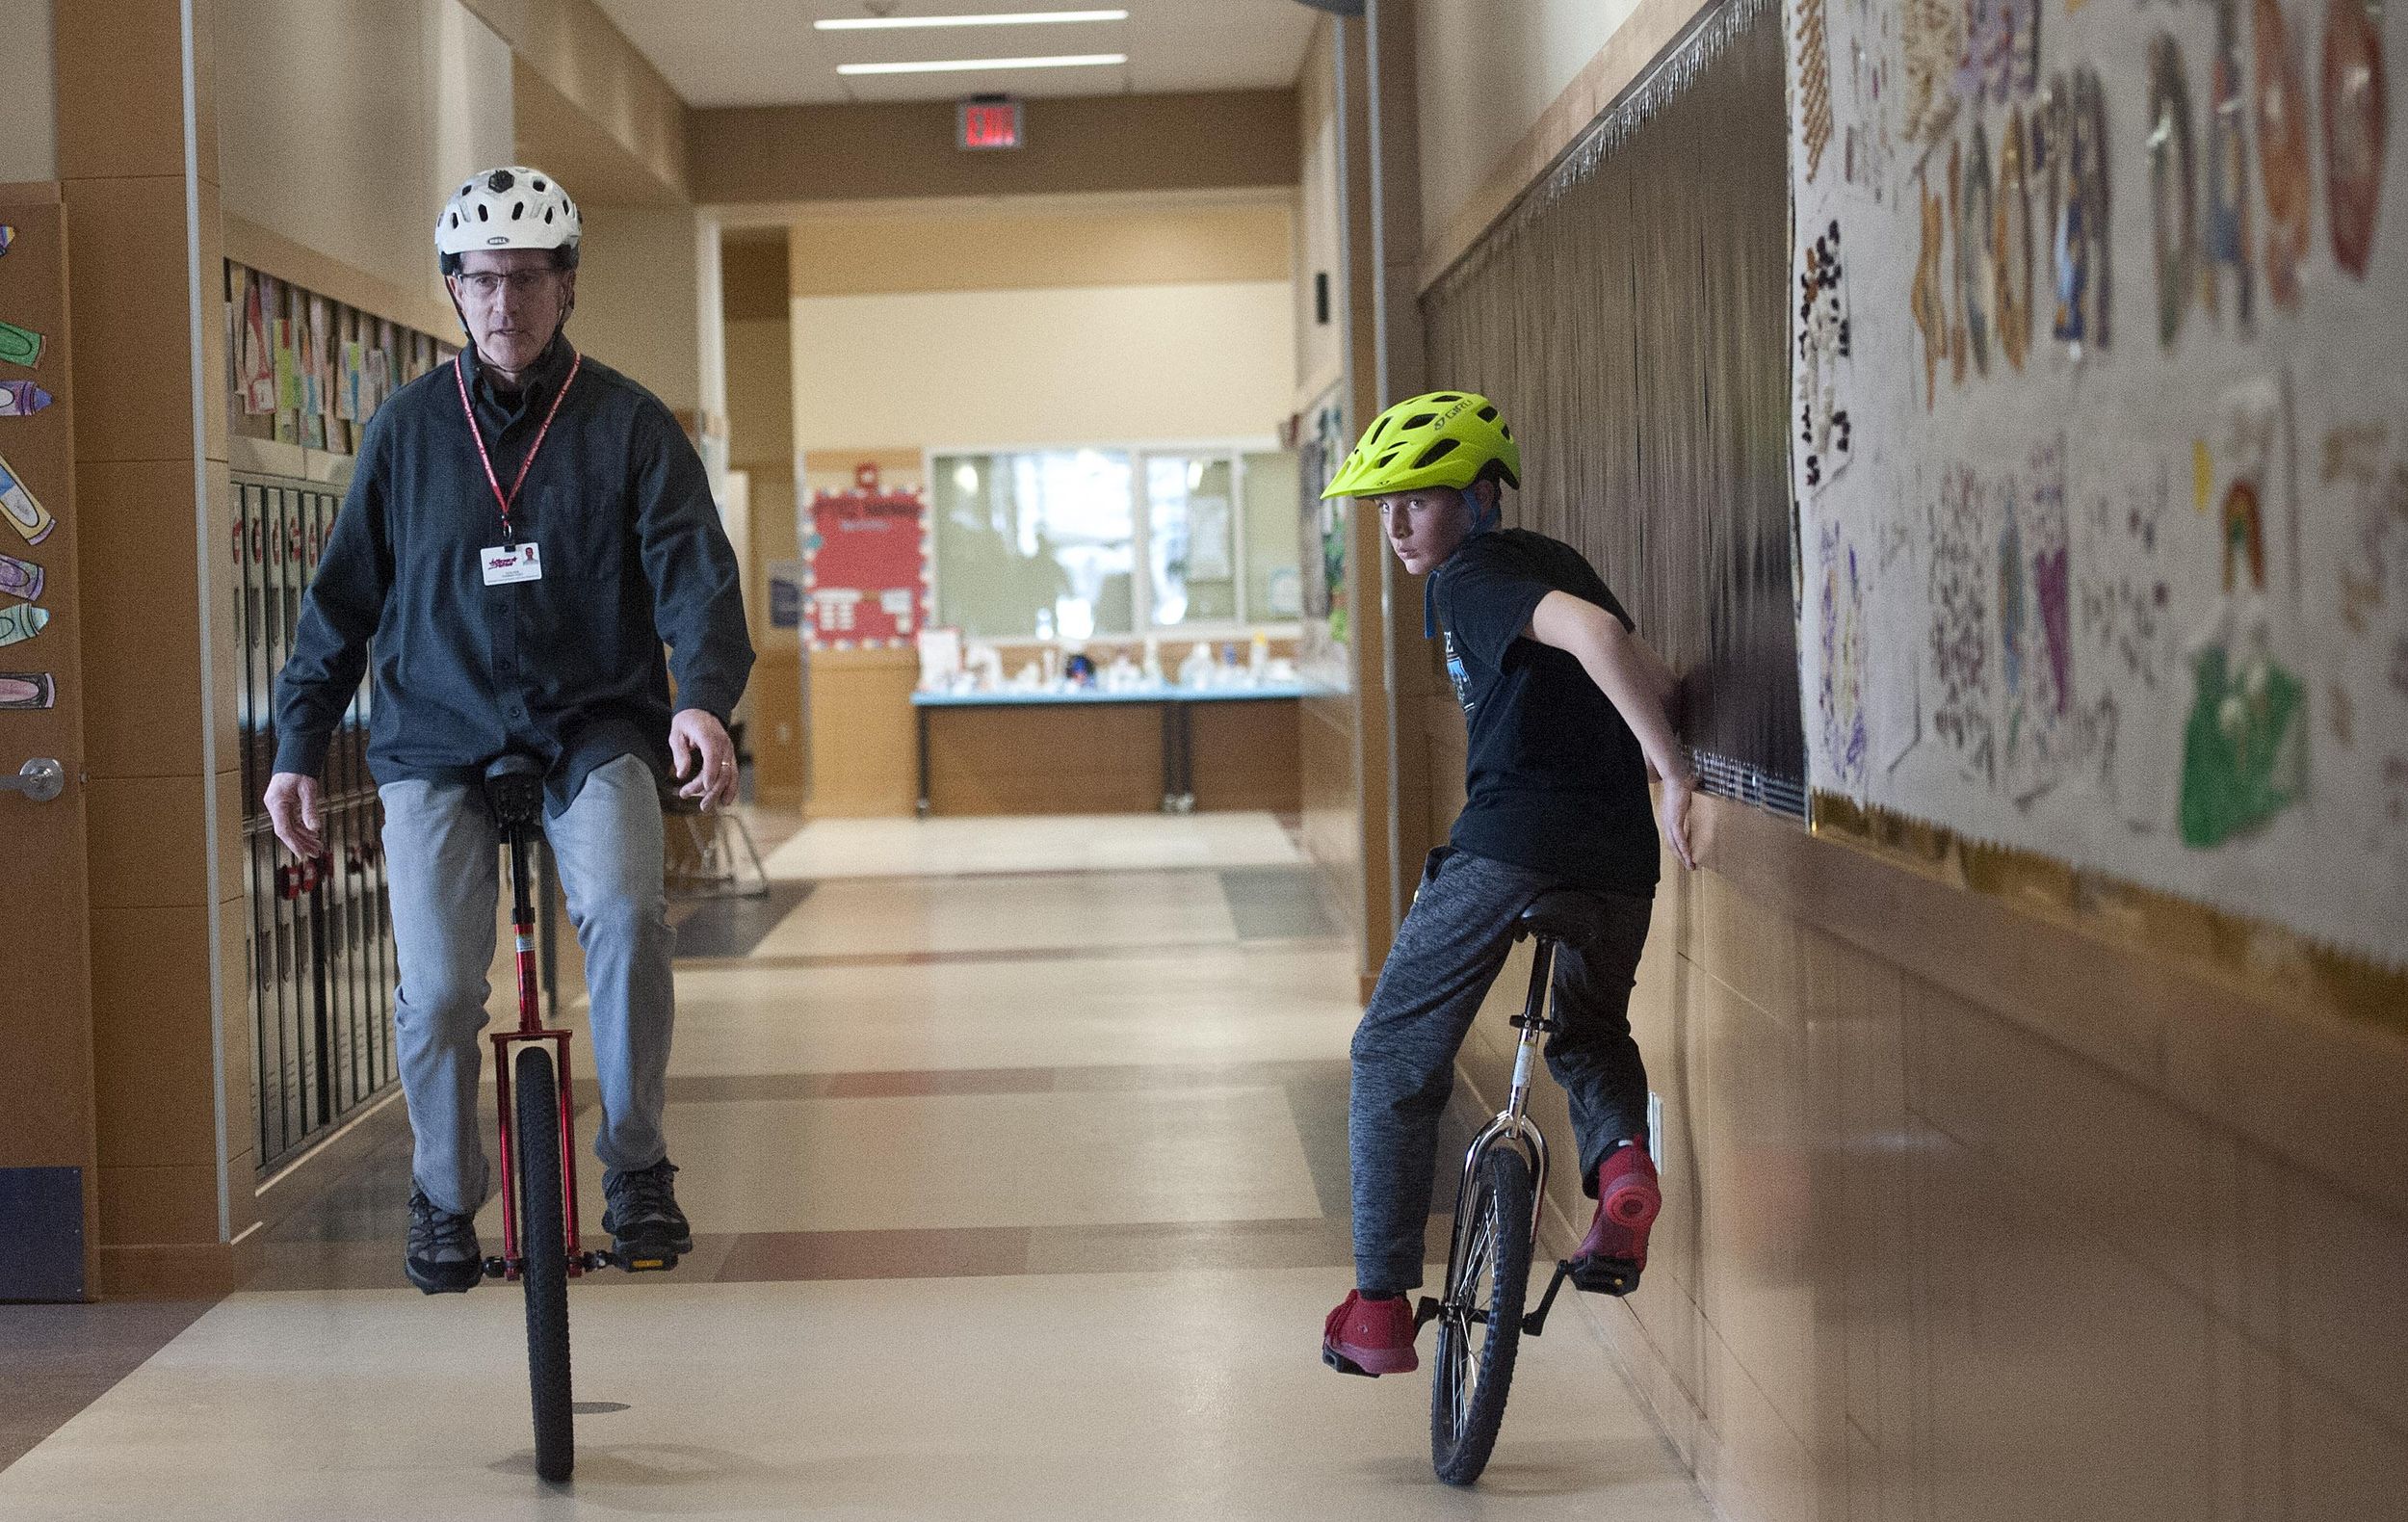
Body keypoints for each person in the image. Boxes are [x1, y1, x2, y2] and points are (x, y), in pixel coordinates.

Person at [264, 167, 753, 1293]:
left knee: (629, 914)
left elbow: (695, 579)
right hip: (434, 734)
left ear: (566, 285)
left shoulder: (627, 422)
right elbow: (338, 603)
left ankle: (636, 1164)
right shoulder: (404, 430)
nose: (504, 305)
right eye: (481, 282)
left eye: (527, 280)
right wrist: (298, 743)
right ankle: (443, 1192)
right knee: (437, 987)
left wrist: (700, 698)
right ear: (454, 290)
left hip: (594, 727)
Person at [1319, 390, 1696, 1377]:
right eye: (1384, 505)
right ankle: (1618, 1166)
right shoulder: (1550, 558)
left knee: (1392, 1048)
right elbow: (1650, 670)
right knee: (1587, 1031)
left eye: (1423, 498)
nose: (1399, 525)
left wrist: (1674, 772)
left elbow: (1596, 642)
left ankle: (1375, 1308)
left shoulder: (1473, 573)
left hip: (1512, 843)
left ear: (1481, 497)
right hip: (1617, 858)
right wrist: (1663, 746)